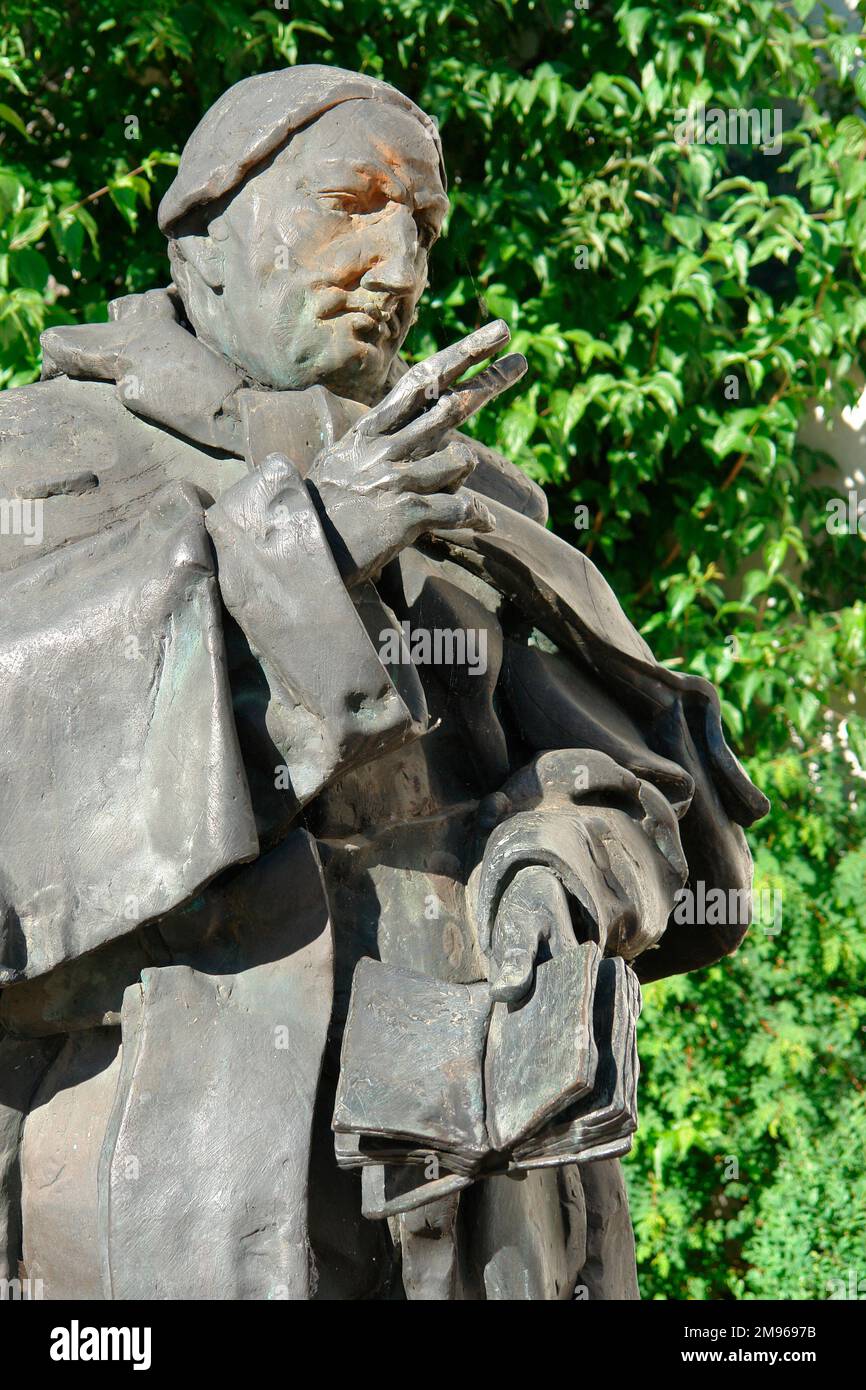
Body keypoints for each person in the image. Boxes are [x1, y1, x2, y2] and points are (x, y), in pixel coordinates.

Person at [0, 65, 768, 1300]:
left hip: (489, 1186)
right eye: (350, 202)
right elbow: (24, 770)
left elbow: (639, 787)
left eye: (418, 227)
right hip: (184, 1177)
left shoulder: (461, 489)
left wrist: (556, 871)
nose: (399, 266)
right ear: (203, 237)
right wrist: (309, 549)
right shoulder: (44, 452)